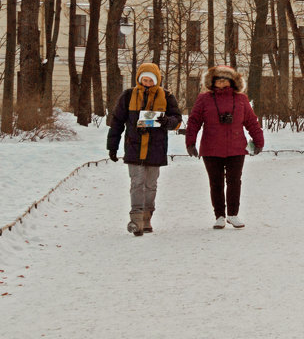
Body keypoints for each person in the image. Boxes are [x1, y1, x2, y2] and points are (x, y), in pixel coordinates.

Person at [107, 62, 182, 237]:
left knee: (150, 185)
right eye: (144, 79)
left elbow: (177, 119)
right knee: (136, 183)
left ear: (156, 80)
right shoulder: (128, 96)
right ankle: (136, 220)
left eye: (150, 80)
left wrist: (167, 122)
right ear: (139, 79)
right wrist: (112, 146)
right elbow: (117, 121)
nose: (147, 82)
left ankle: (147, 217)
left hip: (155, 148)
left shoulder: (167, 97)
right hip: (134, 146)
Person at [185, 65, 264, 229]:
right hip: (211, 148)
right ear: (212, 82)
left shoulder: (241, 99)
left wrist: (258, 140)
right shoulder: (204, 99)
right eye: (218, 80)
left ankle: (233, 214)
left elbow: (251, 121)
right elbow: (194, 121)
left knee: (235, 181)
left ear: (232, 81)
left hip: (236, 148)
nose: (221, 83)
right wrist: (190, 142)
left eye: (225, 80)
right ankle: (219, 215)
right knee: (216, 183)